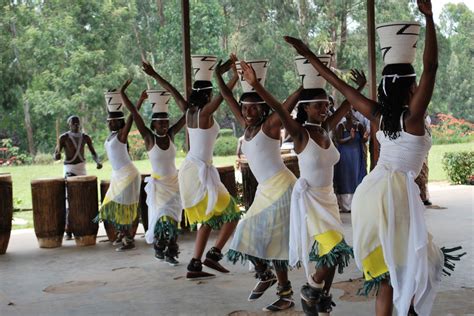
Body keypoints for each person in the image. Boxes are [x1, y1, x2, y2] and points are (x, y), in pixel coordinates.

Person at [284, 1, 465, 315]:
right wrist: (430, 18)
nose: (421, 87)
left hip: (372, 195)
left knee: (387, 277)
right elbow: (432, 67)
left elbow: (337, 83)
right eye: (416, 84)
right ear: (411, 88)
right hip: (395, 199)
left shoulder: (379, 114)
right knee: (413, 266)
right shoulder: (413, 117)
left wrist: (311, 56)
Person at [142, 56, 241, 280]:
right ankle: (214, 254)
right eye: (210, 94)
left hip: (190, 170)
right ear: (206, 95)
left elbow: (172, 89)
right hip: (199, 172)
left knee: (208, 218)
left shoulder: (188, 111)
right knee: (233, 214)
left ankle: (195, 265)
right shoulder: (205, 113)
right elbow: (224, 95)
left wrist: (154, 74)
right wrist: (235, 75)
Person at [217, 57, 301, 312]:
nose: (247, 112)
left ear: (264, 109)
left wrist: (303, 84)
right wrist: (219, 76)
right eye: (245, 108)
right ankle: (275, 283)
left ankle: (278, 286)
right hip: (267, 189)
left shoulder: (271, 124)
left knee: (258, 236)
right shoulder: (246, 125)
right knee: (259, 239)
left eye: (254, 108)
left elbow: (287, 104)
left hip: (283, 186)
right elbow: (226, 95)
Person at [120, 80, 185, 266]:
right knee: (162, 218)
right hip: (159, 186)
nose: (164, 125)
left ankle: (171, 251)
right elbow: (134, 113)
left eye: (166, 122)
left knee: (172, 220)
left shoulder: (171, 135)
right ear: (153, 124)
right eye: (160, 122)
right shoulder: (149, 138)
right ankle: (159, 246)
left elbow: (187, 115)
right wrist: (125, 94)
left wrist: (175, 93)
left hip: (173, 184)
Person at [96, 88, 144, 252]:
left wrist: (140, 101)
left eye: (113, 121)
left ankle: (128, 239)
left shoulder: (121, 135)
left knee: (123, 207)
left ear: (120, 123)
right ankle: (122, 234)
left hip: (129, 175)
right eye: (108, 121)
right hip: (118, 175)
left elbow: (132, 116)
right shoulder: (110, 137)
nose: (110, 123)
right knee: (110, 205)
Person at [54, 115, 102, 239]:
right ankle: (68, 230)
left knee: (83, 198)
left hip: (81, 169)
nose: (76, 125)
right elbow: (55, 156)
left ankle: (84, 226)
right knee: (69, 199)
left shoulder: (85, 137)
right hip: (69, 169)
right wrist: (57, 156)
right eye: (73, 123)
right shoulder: (63, 137)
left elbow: (93, 153)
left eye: (77, 123)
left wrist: (98, 161)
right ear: (69, 124)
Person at [334, 109, 368, 213]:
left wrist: (365, 138)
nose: (347, 113)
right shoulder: (341, 126)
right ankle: (346, 205)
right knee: (345, 178)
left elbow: (362, 140)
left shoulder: (359, 126)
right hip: (345, 156)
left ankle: (358, 203)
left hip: (357, 156)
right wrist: (350, 137)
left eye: (349, 111)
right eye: (346, 111)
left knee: (358, 176)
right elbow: (339, 140)